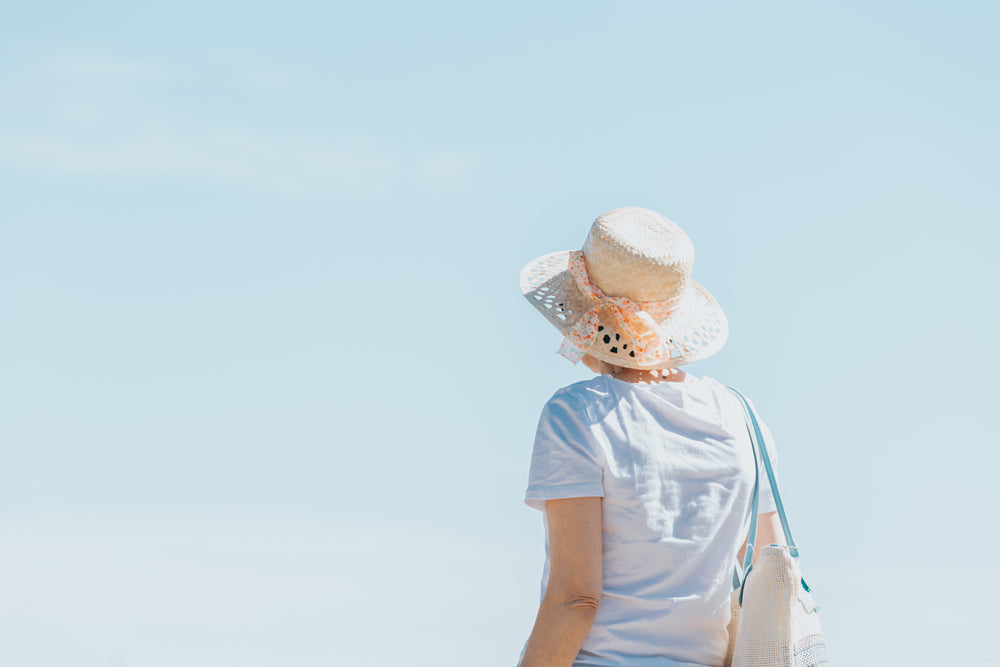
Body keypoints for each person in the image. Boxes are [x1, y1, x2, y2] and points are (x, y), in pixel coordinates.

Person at [516, 207, 785, 667]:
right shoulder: (742, 416)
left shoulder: (577, 414)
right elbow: (769, 575)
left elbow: (575, 599)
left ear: (583, 316)